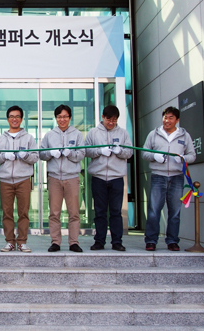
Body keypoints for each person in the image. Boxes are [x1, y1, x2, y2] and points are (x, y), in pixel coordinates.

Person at [142, 106, 196, 252]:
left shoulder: (184, 136)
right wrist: (154, 156)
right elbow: (144, 153)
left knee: (175, 211)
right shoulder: (154, 134)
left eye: (171, 118)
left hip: (177, 177)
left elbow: (192, 155)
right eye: (165, 117)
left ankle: (172, 241)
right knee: (154, 210)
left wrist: (183, 159)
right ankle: (151, 241)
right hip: (158, 176)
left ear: (177, 120)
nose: (167, 120)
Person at [84, 105, 133, 251]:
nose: (111, 123)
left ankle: (117, 241)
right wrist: (99, 151)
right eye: (108, 119)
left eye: (114, 120)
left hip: (116, 177)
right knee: (100, 211)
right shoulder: (93, 132)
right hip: (98, 177)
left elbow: (129, 152)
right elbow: (86, 151)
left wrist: (120, 151)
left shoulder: (123, 133)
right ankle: (99, 241)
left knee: (116, 211)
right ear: (102, 117)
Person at [0, 106, 38, 253]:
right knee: (7, 212)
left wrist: (26, 155)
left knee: (24, 212)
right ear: (7, 119)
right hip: (5, 180)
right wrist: (4, 156)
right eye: (11, 116)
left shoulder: (29, 138)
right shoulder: (0, 139)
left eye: (17, 116)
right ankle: (10, 241)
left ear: (21, 119)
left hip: (23, 179)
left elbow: (35, 157)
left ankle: (22, 241)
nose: (14, 119)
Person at [39, 104, 85, 253]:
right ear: (56, 118)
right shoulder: (49, 135)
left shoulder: (77, 134)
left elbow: (81, 154)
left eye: (65, 116)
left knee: (74, 213)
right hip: (54, 178)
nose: (62, 119)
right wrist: (51, 153)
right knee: (54, 213)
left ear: (70, 118)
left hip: (72, 177)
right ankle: (55, 242)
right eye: (59, 117)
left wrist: (70, 153)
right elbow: (41, 154)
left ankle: (74, 242)